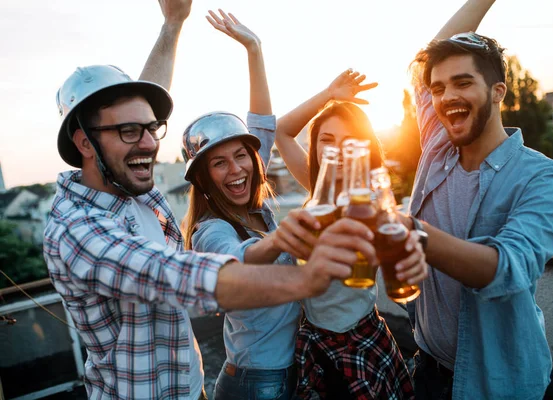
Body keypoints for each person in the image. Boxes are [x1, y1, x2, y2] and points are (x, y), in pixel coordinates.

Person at [43, 3, 379, 399]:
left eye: (152, 129)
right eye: (132, 132)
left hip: (190, 385)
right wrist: (310, 274)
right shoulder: (76, 229)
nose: (150, 142)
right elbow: (170, 272)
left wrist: (173, 26)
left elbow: (259, 129)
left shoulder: (134, 189)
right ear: (85, 142)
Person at [401, 0, 553, 398]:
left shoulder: (545, 177)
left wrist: (414, 234)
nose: (446, 97)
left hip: (497, 384)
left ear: (498, 91)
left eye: (463, 83)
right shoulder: (437, 146)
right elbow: (429, 56)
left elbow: (508, 266)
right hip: (426, 367)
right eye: (438, 88)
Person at [274, 72, 427, 398]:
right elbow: (282, 131)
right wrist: (329, 94)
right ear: (315, 146)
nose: (337, 152)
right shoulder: (317, 191)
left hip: (362, 338)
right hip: (314, 338)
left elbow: (400, 272)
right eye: (327, 140)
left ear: (362, 151)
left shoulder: (371, 205)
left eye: (349, 143)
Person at [181, 10, 300, 399]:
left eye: (242, 155)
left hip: (287, 372)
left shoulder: (251, 199)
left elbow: (262, 123)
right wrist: (289, 237)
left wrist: (254, 47)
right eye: (219, 162)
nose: (236, 169)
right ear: (204, 179)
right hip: (256, 383)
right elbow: (233, 261)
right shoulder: (210, 230)